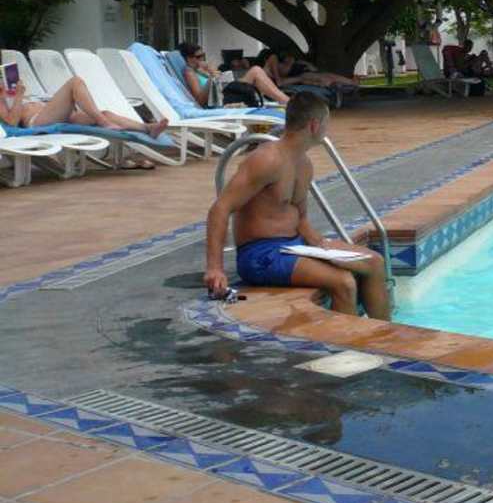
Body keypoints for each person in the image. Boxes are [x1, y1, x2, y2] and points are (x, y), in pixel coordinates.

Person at [204, 93, 390, 319]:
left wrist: (321, 244)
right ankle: (347, 341)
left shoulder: (304, 165)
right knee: (344, 283)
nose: (327, 130)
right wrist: (215, 268)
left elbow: (299, 217)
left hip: (296, 246)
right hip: (261, 254)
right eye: (327, 124)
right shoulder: (266, 160)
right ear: (314, 125)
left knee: (375, 263)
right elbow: (220, 208)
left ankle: (385, 336)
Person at [1, 73, 168, 142]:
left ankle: (148, 128)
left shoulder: (5, 88)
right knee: (75, 82)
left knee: (104, 113)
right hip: (37, 122)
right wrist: (19, 95)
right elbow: (11, 123)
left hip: (53, 113)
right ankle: (103, 122)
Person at [179, 43, 289, 106]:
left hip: (225, 91)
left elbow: (216, 81)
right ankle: (287, 101)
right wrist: (212, 77)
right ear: (188, 58)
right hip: (221, 99)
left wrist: (216, 74)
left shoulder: (200, 70)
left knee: (256, 71)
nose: (202, 59)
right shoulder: (189, 72)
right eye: (198, 57)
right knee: (255, 71)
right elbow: (200, 100)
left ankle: (285, 100)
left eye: (203, 55)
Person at [263, 49, 358, 91]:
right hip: (298, 74)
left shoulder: (275, 64)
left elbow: (281, 79)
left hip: (300, 72)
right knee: (323, 77)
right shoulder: (272, 59)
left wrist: (306, 64)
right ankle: (342, 84)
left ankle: (349, 82)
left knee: (326, 75)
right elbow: (280, 82)